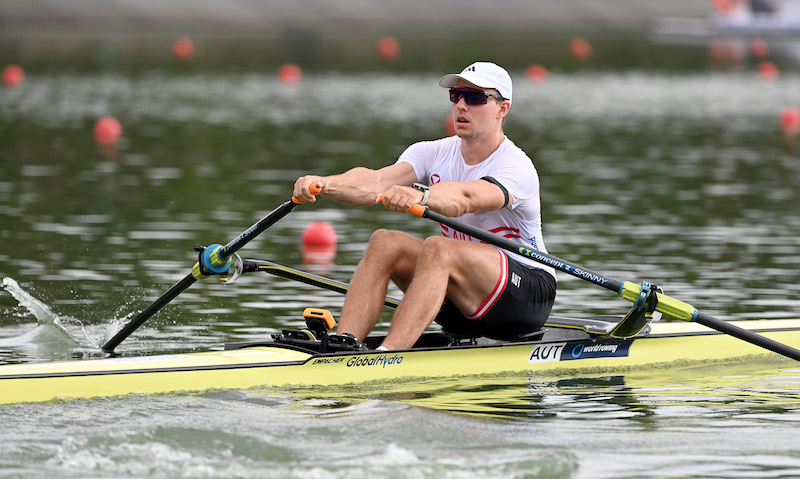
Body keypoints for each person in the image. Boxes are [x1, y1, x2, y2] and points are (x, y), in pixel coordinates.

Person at [292, 61, 557, 351]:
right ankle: (344, 346)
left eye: (476, 98)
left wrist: (422, 195)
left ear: (502, 109)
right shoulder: (431, 152)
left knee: (439, 248)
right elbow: (376, 181)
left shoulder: (516, 167)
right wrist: (325, 183)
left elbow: (466, 197)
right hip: (462, 299)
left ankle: (387, 355)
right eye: (456, 96)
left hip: (525, 296)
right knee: (385, 242)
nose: (462, 106)